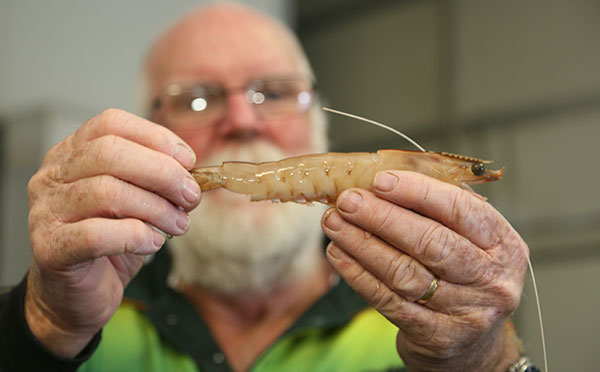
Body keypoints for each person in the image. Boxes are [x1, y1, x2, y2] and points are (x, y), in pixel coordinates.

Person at [0, 3, 534, 372]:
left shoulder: (426, 311)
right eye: (198, 99)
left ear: (318, 118)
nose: (242, 120)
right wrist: (44, 323)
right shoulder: (88, 302)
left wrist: (482, 358)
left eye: (273, 92)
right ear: (148, 128)